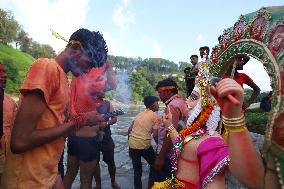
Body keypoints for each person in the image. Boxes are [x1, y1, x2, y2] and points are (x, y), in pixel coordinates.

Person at [4, 28, 108, 189]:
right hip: (25, 181)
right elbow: (19, 141)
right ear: (75, 48)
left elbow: (53, 131)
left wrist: (55, 176)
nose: (88, 71)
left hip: (45, 177)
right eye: (89, 63)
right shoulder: (47, 68)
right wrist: (78, 122)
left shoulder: (63, 80)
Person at [152, 59, 228, 189]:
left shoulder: (213, 141)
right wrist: (169, 125)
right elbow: (180, 143)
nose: (186, 101)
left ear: (205, 103)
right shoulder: (194, 133)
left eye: (192, 97)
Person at [64, 59, 118, 189]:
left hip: (73, 135)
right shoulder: (90, 82)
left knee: (70, 173)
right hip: (88, 139)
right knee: (86, 180)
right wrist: (109, 67)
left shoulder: (77, 79)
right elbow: (112, 84)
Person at [154, 78, 189, 182]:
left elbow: (170, 132)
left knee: (165, 181)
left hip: (169, 153)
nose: (159, 96)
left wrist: (160, 157)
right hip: (178, 150)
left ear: (168, 91)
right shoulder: (180, 102)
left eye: (160, 92)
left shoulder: (172, 106)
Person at [128, 95, 161, 189]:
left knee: (137, 171)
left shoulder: (139, 114)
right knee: (156, 165)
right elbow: (155, 135)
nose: (158, 105)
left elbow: (129, 130)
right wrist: (160, 148)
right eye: (157, 103)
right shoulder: (156, 117)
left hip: (132, 145)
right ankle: (154, 186)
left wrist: (130, 147)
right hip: (144, 145)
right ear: (152, 105)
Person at [93, 99, 120, 189]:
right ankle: (98, 184)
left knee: (111, 161)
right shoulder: (88, 102)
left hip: (106, 137)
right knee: (94, 162)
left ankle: (113, 181)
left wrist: (107, 123)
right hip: (92, 137)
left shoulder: (107, 103)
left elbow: (114, 118)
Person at [0, 64, 17, 187]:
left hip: (8, 153)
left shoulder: (10, 101)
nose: (4, 75)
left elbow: (15, 127)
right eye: (0, 73)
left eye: (4, 72)